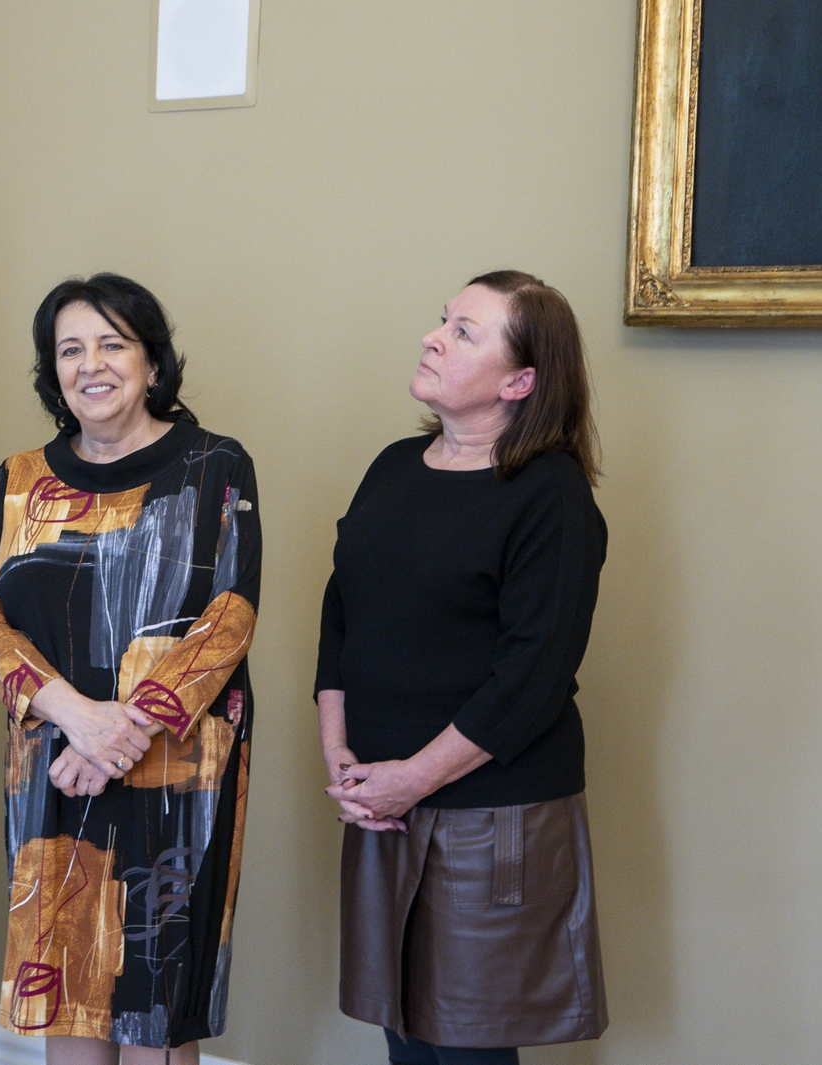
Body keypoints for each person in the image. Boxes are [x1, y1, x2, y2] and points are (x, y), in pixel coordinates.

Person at [316, 271, 608, 1065]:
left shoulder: (551, 495)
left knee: (468, 1048)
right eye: (443, 320)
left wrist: (411, 779)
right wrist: (340, 755)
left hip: (489, 813)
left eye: (464, 332)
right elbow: (342, 610)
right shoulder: (393, 465)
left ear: (520, 382)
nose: (433, 337)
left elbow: (531, 677)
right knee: (405, 1036)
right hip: (380, 801)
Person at [0, 274, 260, 1064]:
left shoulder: (216, 465)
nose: (90, 364)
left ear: (152, 362)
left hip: (175, 770)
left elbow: (229, 616)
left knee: (156, 1001)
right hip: (52, 765)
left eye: (112, 344)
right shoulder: (21, 476)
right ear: (53, 370)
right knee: (65, 980)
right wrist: (78, 718)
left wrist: (117, 735)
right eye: (70, 349)